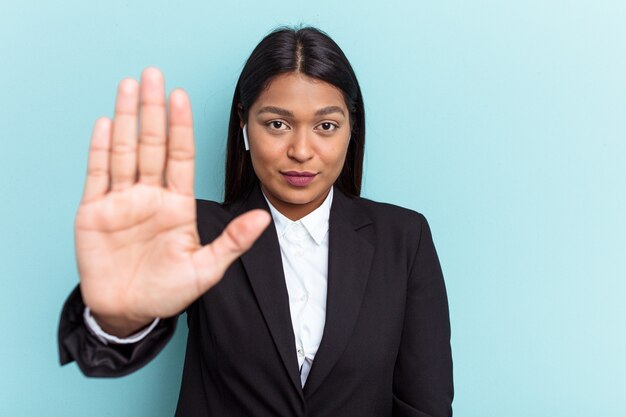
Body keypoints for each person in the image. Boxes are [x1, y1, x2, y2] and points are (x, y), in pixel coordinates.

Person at [58, 25, 454, 417]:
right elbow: (100, 354)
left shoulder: (403, 238)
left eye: (326, 126)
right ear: (245, 125)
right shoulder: (193, 230)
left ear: (352, 128)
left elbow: (426, 404)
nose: (300, 151)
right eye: (277, 124)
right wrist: (116, 319)